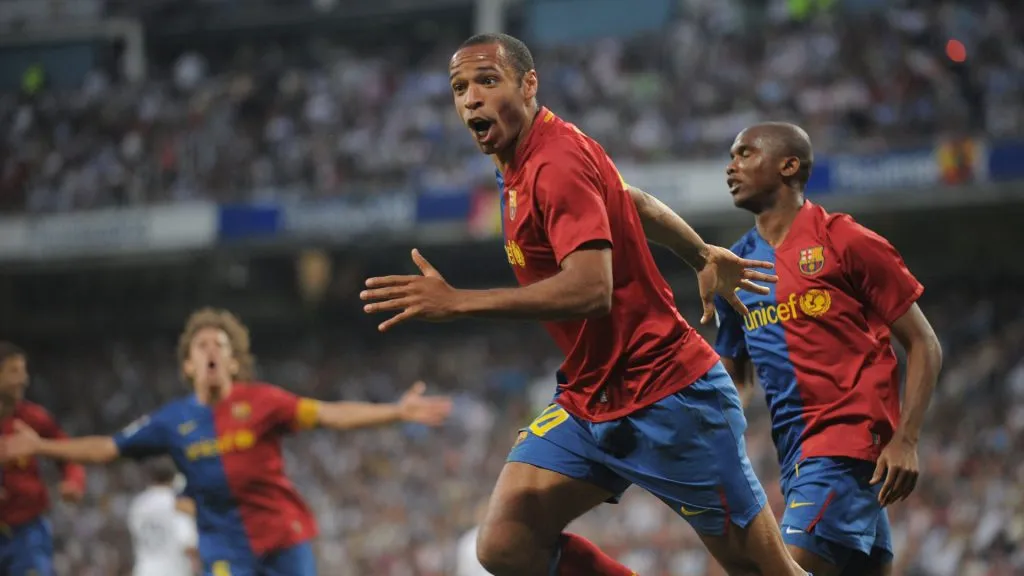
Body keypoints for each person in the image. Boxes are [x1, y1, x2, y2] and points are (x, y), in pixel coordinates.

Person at [360, 33, 811, 576]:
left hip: (668, 394)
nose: (471, 99)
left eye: (487, 80)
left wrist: (458, 304)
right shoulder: (520, 158)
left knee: (766, 571)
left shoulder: (554, 163)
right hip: (591, 394)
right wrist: (699, 254)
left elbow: (591, 290)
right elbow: (632, 199)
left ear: (529, 85)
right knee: (505, 542)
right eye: (460, 88)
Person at [0, 308, 453, 576]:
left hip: (283, 537)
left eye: (220, 344)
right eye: (201, 346)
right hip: (226, 550)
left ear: (235, 362)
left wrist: (395, 411)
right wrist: (41, 449)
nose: (211, 350)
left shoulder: (264, 401)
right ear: (189, 366)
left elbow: (331, 415)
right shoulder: (172, 420)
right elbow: (107, 448)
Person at [714, 122, 943, 576]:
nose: (731, 166)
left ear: (789, 165)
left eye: (745, 154)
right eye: (731, 156)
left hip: (843, 448)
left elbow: (923, 343)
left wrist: (907, 439)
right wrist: (722, 433)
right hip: (797, 455)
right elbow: (733, 370)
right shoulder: (735, 269)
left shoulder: (846, 241)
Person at [0, 342, 85, 576]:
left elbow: (68, 453)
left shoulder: (33, 418)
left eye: (24, 371)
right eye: (14, 372)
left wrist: (73, 481)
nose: (24, 379)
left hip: (26, 534)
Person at [129, 457, 199, 576]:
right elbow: (188, 543)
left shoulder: (138, 504)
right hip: (172, 571)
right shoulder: (177, 503)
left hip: (143, 570)